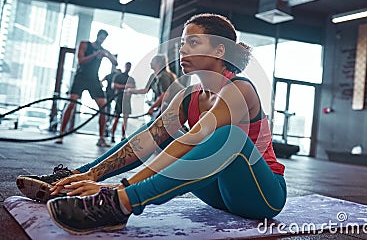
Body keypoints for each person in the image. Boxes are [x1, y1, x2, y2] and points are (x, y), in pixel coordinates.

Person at [16, 13, 286, 235]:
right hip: (219, 194)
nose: (182, 49)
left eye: (193, 42)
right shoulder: (187, 97)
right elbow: (147, 139)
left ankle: (121, 204)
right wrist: (93, 175)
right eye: (182, 43)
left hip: (262, 195)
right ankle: (75, 177)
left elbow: (190, 140)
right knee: (158, 132)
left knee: (228, 138)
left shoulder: (240, 89)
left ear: (219, 49)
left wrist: (123, 187)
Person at [56, 29, 117, 147]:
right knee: (71, 104)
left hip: (94, 79)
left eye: (104, 38)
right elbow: (80, 61)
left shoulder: (103, 50)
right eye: (101, 37)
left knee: (103, 108)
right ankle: (61, 133)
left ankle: (101, 138)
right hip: (81, 77)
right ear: (97, 36)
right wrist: (95, 55)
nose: (102, 39)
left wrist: (107, 55)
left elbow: (115, 62)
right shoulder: (85, 44)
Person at [128, 54, 183, 118]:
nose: (150, 63)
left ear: (158, 63)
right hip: (169, 103)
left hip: (180, 101)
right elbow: (145, 90)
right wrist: (131, 90)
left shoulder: (164, 76)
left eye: (152, 61)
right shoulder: (152, 76)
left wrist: (152, 107)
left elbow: (165, 94)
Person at [110, 62, 136, 143]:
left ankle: (123, 136)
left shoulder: (131, 79)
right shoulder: (118, 76)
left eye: (129, 66)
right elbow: (114, 86)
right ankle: (112, 135)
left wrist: (125, 87)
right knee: (116, 118)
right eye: (127, 66)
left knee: (125, 120)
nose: (128, 68)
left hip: (127, 101)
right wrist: (126, 86)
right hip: (119, 100)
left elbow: (133, 88)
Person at [101, 68, 122, 137]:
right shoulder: (112, 76)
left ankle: (108, 127)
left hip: (114, 96)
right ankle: (106, 127)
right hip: (110, 96)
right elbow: (101, 81)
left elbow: (101, 81)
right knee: (109, 112)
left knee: (112, 112)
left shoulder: (113, 76)